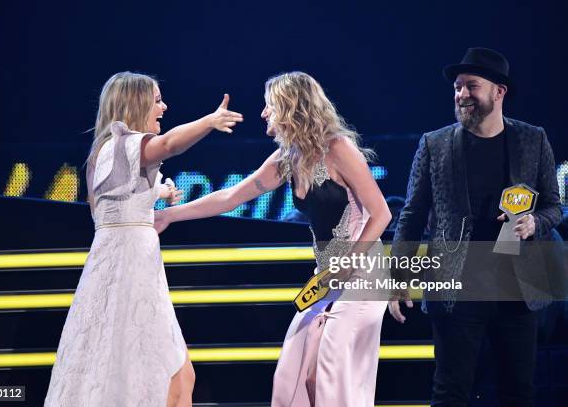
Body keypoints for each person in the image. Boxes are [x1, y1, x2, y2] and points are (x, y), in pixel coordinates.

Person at [154, 71, 392, 406]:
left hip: (362, 273)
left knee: (331, 371)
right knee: (293, 371)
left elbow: (381, 213)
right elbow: (231, 197)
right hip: (326, 278)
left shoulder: (337, 148)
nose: (264, 114)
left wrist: (347, 264)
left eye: (269, 106)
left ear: (291, 107)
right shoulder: (288, 159)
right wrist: (169, 215)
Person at [44, 71, 243, 407]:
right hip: (128, 277)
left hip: (132, 270)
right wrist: (209, 121)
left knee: (172, 375)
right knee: (161, 377)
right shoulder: (123, 144)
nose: (164, 107)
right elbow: (168, 145)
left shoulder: (111, 151)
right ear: (135, 104)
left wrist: (160, 193)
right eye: (156, 100)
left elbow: (122, 202)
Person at [389, 48, 562, 406]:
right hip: (456, 289)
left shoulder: (533, 139)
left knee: (518, 392)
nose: (462, 95)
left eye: (471, 86)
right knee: (450, 392)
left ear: (500, 92)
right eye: (457, 88)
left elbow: (554, 206)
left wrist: (534, 222)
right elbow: (412, 216)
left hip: (517, 289)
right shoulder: (434, 145)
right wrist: (398, 280)